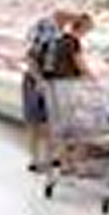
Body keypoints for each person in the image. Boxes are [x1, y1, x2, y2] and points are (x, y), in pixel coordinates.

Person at [22, 9, 73, 172]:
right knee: (34, 122)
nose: (70, 20)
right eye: (67, 16)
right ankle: (35, 159)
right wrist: (39, 80)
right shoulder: (43, 28)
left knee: (53, 122)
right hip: (36, 81)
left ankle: (53, 157)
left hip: (53, 81)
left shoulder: (61, 33)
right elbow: (30, 57)